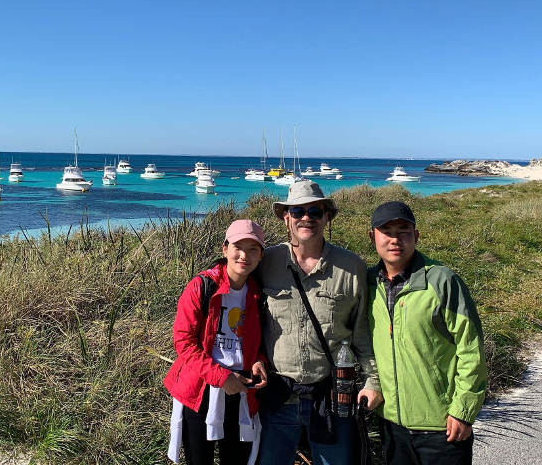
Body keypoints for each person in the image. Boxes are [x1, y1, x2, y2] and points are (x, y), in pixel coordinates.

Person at [256, 181, 382, 465]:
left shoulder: (351, 267)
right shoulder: (267, 261)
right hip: (277, 398)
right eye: (298, 211)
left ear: (327, 217)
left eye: (315, 211)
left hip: (332, 396)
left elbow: (362, 330)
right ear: (286, 217)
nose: (306, 218)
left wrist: (373, 381)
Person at [367, 201, 487, 465]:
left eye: (403, 230)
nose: (395, 239)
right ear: (372, 236)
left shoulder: (442, 280)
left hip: (442, 426)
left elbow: (471, 349)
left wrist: (463, 411)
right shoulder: (367, 283)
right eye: (386, 231)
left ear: (416, 236)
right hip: (392, 426)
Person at [164, 219, 269, 465]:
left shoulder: (259, 293)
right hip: (201, 388)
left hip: (241, 390)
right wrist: (220, 377)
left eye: (253, 249)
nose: (244, 255)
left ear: (262, 255)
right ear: (225, 250)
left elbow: (261, 340)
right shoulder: (202, 286)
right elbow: (183, 341)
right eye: (237, 247)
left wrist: (260, 361)